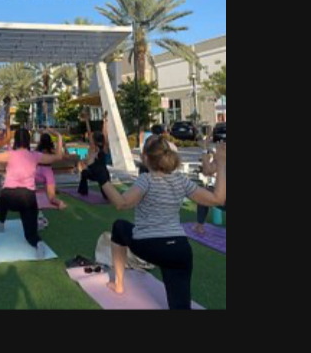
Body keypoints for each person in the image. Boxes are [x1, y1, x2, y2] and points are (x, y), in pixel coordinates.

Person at [101, 136, 226, 308]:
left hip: (150, 246)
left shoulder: (146, 179)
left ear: (145, 158)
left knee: (119, 226)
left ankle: (119, 284)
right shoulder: (181, 180)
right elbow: (218, 199)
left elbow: (122, 203)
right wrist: (222, 162)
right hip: (179, 251)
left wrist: (103, 180)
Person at [0, 126, 60, 254]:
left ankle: (1, 224)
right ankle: (38, 243)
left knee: (3, 194)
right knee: (30, 234)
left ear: (16, 140)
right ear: (28, 140)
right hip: (27, 198)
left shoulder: (9, 154)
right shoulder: (35, 156)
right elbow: (58, 156)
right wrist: (58, 136)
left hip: (9, 197)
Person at [191, 142, 226, 237]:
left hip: (222, 197)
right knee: (203, 195)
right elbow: (207, 171)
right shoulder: (222, 154)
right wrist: (205, 149)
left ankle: (199, 226)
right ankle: (199, 226)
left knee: (204, 194)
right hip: (222, 198)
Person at [77, 113, 112, 197]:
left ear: (94, 139)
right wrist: (104, 121)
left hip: (98, 174)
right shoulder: (102, 147)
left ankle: (84, 192)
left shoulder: (96, 147)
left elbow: (92, 133)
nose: (90, 138)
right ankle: (84, 192)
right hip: (100, 174)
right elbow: (104, 134)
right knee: (84, 173)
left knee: (84, 173)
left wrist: (87, 121)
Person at [35, 132, 71, 210]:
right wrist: (64, 146)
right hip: (47, 172)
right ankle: (60, 203)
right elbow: (67, 156)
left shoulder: (37, 150)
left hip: (37, 172)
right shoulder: (52, 150)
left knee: (28, 188)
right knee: (52, 197)